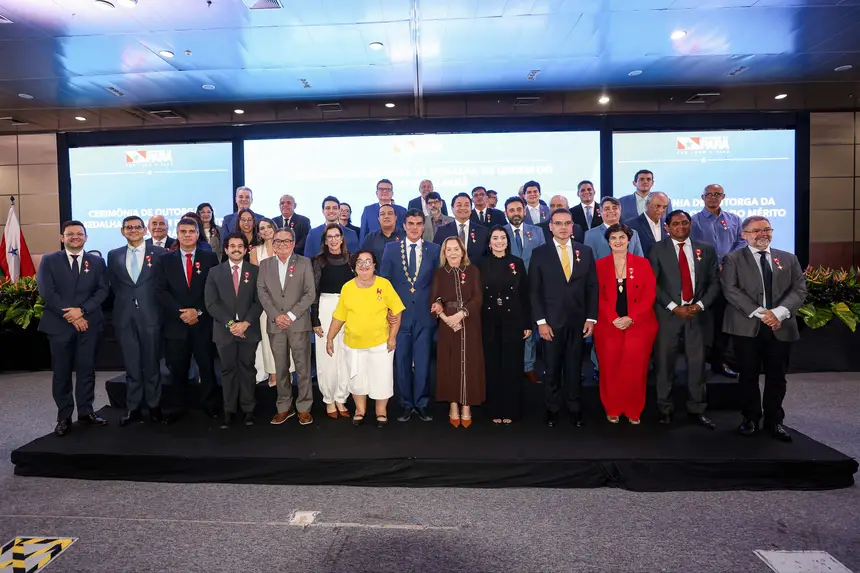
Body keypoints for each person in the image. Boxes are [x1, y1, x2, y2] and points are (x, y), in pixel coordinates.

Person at [721, 216, 807, 442]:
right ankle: (750, 418)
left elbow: (799, 291)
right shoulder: (733, 259)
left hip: (781, 326)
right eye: (756, 230)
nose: (763, 234)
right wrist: (763, 314)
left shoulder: (788, 258)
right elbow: (731, 290)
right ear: (744, 235)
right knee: (748, 375)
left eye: (767, 229)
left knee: (777, 377)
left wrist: (777, 314)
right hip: (746, 327)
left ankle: (774, 421)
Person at [649, 210, 722, 428]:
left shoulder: (706, 250)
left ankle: (697, 409)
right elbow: (653, 284)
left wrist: (698, 306)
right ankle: (665, 409)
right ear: (667, 228)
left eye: (685, 223)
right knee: (664, 365)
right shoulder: (656, 250)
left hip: (697, 316)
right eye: (676, 224)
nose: (681, 227)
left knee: (698, 365)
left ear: (690, 224)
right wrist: (673, 307)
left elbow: (714, 283)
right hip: (667, 316)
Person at [37, 221, 110, 436]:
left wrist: (82, 311)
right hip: (59, 325)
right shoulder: (49, 260)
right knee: (61, 372)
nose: (75, 237)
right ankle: (64, 416)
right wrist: (71, 315)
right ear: (62, 238)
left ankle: (86, 413)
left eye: (79, 234)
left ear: (86, 237)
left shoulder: (97, 262)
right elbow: (46, 291)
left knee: (87, 369)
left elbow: (102, 290)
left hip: (90, 323)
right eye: (70, 234)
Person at [529, 208, 598, 427]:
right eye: (558, 223)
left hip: (578, 322)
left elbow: (592, 287)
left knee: (575, 367)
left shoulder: (585, 251)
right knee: (551, 368)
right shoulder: (540, 253)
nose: (563, 227)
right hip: (550, 323)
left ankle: (575, 408)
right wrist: (540, 322)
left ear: (572, 226)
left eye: (567, 223)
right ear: (550, 226)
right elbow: (534, 290)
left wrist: (591, 318)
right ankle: (552, 409)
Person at [327, 250, 404, 427]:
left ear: (375, 265)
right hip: (353, 343)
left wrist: (392, 337)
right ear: (354, 267)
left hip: (380, 342)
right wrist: (330, 338)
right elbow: (339, 316)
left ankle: (381, 412)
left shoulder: (384, 285)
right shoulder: (347, 287)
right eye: (360, 262)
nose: (364, 265)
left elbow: (397, 311)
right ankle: (360, 411)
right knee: (357, 379)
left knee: (381, 378)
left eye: (368, 261)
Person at [155, 217, 221, 422]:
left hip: (202, 323)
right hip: (176, 323)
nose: (187, 235)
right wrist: (182, 312)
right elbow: (160, 291)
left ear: (197, 234)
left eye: (191, 231)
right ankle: (176, 407)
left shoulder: (209, 258)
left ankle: (210, 404)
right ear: (177, 233)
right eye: (182, 231)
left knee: (207, 367)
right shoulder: (165, 260)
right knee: (177, 369)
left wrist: (198, 311)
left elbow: (214, 290)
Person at [594, 223, 658, 424]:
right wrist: (613, 317)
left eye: (622, 237)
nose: (618, 241)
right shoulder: (599, 265)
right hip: (608, 324)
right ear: (608, 242)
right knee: (610, 367)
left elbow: (650, 294)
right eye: (613, 238)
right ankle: (612, 407)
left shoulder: (642, 263)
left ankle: (633, 409)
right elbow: (598, 296)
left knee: (635, 368)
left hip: (638, 324)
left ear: (629, 239)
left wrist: (632, 317)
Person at [381, 208, 441, 422]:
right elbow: (384, 282)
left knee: (424, 362)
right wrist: (388, 310)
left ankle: (422, 403)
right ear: (404, 226)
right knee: (402, 362)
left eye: (418, 224)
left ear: (423, 226)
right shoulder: (391, 249)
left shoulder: (434, 250)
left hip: (425, 316)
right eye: (411, 224)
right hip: (400, 316)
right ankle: (406, 403)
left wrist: (438, 302)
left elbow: (438, 282)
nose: (415, 228)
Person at [107, 215, 166, 426]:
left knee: (151, 364)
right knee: (131, 365)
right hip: (124, 317)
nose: (133, 230)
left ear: (145, 230)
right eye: (128, 228)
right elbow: (114, 285)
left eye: (137, 227)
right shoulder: (113, 255)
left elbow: (163, 285)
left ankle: (154, 406)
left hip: (151, 316)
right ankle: (133, 408)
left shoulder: (159, 253)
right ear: (123, 231)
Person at [257, 227, 316, 426]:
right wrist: (276, 316)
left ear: (292, 243)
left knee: (303, 368)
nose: (282, 244)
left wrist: (290, 315)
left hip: (298, 323)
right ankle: (284, 407)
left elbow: (310, 293)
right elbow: (262, 292)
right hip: (275, 325)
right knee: (280, 368)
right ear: (273, 244)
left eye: (286, 241)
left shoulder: (304, 262)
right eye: (278, 241)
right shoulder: (265, 265)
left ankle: (304, 407)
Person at [204, 232, 263, 429]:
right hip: (224, 330)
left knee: (247, 369)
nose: (236, 249)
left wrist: (245, 323)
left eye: (240, 246)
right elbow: (211, 303)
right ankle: (229, 410)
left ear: (246, 250)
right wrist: (231, 324)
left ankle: (248, 410)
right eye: (232, 246)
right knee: (228, 370)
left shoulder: (255, 271)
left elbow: (259, 301)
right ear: (226, 249)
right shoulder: (214, 272)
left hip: (249, 330)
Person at [691, 183, 747, 378]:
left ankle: (720, 362)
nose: (713, 197)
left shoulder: (734, 220)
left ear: (723, 197)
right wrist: (713, 265)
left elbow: (742, 243)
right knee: (703, 322)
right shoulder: (693, 221)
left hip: (728, 278)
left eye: (717, 194)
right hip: (703, 279)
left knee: (723, 321)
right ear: (702, 197)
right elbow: (691, 247)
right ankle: (700, 362)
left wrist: (727, 262)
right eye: (709, 194)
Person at [430, 237, 485, 427]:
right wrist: (447, 318)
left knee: (470, 362)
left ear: (463, 251)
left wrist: (461, 315)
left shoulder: (473, 271)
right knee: (450, 363)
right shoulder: (439, 273)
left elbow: (478, 298)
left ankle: (467, 406)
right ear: (444, 253)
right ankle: (453, 405)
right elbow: (435, 300)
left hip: (469, 321)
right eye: (448, 250)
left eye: (456, 249)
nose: (452, 253)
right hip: (447, 323)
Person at [480, 226, 530, 424]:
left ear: (508, 241)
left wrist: (527, 323)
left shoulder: (517, 263)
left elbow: (525, 294)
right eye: (495, 238)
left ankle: (511, 410)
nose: (499, 241)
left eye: (503, 238)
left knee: (512, 366)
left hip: (513, 320)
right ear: (489, 242)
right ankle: (494, 410)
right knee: (492, 366)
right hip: (488, 321)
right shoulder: (481, 263)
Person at [312, 224, 353, 418]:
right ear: (325, 240)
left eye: (337, 236)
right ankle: (328, 399)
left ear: (342, 238)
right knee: (326, 355)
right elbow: (313, 292)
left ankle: (341, 398)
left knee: (345, 354)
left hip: (349, 308)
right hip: (325, 308)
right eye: (330, 237)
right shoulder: (318, 261)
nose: (334, 240)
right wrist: (315, 319)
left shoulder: (352, 259)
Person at [503, 196, 545, 384]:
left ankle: (528, 366)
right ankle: (510, 366)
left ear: (524, 211)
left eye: (519, 209)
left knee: (530, 328)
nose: (516, 213)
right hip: (507, 290)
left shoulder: (537, 232)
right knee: (510, 329)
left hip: (532, 288)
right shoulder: (499, 233)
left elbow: (543, 261)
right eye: (511, 210)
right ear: (506, 214)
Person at [250, 217, 279, 386]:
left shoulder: (283, 247)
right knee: (267, 338)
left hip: (285, 301)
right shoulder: (255, 251)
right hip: (265, 302)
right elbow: (257, 278)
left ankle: (285, 372)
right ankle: (273, 372)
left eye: (269, 226)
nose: (266, 230)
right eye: (262, 228)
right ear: (259, 232)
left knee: (285, 338)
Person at [433, 192, 489, 267]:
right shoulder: (442, 231)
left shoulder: (483, 231)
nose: (463, 208)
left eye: (466, 205)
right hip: (449, 275)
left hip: (476, 275)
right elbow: (436, 256)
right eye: (459, 205)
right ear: (452, 208)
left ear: (471, 208)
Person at [625, 192, 670, 258]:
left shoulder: (668, 225)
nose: (661, 210)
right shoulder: (631, 225)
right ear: (647, 204)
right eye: (658, 206)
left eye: (664, 207)